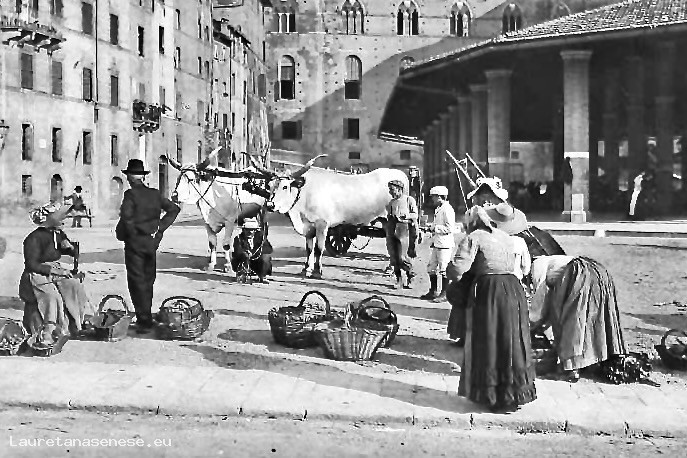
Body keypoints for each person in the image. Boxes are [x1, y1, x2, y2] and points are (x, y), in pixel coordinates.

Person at [447, 206, 536, 412]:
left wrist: (449, 272)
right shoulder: (505, 237)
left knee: (490, 339)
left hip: (490, 292)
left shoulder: (474, 237)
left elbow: (459, 269)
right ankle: (515, 394)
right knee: (512, 341)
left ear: (471, 223)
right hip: (513, 290)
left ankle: (494, 396)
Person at [529, 255, 626, 382]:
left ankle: (571, 369)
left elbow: (540, 306)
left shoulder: (537, 265)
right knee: (596, 319)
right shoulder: (554, 260)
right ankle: (597, 359)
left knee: (572, 322)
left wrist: (528, 328)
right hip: (599, 272)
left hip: (579, 275)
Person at [116, 159, 180, 332]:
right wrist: (159, 228)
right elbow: (174, 209)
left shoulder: (130, 195)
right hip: (152, 243)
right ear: (142, 177)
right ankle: (146, 315)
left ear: (130, 177)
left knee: (136, 280)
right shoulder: (154, 194)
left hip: (135, 244)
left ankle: (144, 320)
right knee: (148, 279)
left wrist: (130, 235)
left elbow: (127, 218)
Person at [19, 203, 94, 344]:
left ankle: (76, 325)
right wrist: (54, 271)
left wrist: (70, 248)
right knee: (52, 297)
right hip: (36, 273)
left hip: (55, 270)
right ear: (49, 219)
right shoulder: (33, 238)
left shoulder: (58, 234)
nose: (64, 218)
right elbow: (32, 264)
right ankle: (48, 331)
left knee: (74, 286)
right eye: (60, 216)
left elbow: (66, 250)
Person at [420, 185, 456, 302]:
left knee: (444, 268)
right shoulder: (439, 209)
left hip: (445, 244)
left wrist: (435, 228)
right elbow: (437, 224)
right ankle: (433, 291)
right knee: (431, 267)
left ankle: (445, 293)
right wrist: (429, 227)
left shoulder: (447, 209)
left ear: (440, 197)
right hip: (437, 243)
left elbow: (450, 228)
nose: (432, 199)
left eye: (434, 197)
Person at [385, 179, 418, 289]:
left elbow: (415, 215)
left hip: (404, 229)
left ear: (399, 189)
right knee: (394, 257)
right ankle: (399, 280)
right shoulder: (391, 202)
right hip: (392, 229)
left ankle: (411, 275)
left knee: (402, 257)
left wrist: (406, 216)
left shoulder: (409, 200)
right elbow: (389, 215)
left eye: (392, 189)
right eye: (390, 189)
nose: (390, 192)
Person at [230, 218, 273, 283]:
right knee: (243, 256)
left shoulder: (261, 238)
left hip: (256, 262)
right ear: (243, 230)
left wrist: (257, 252)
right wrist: (245, 252)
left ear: (255, 230)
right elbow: (237, 250)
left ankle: (262, 276)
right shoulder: (238, 238)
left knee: (265, 257)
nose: (250, 232)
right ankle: (241, 274)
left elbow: (269, 249)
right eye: (247, 230)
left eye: (252, 230)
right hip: (243, 260)